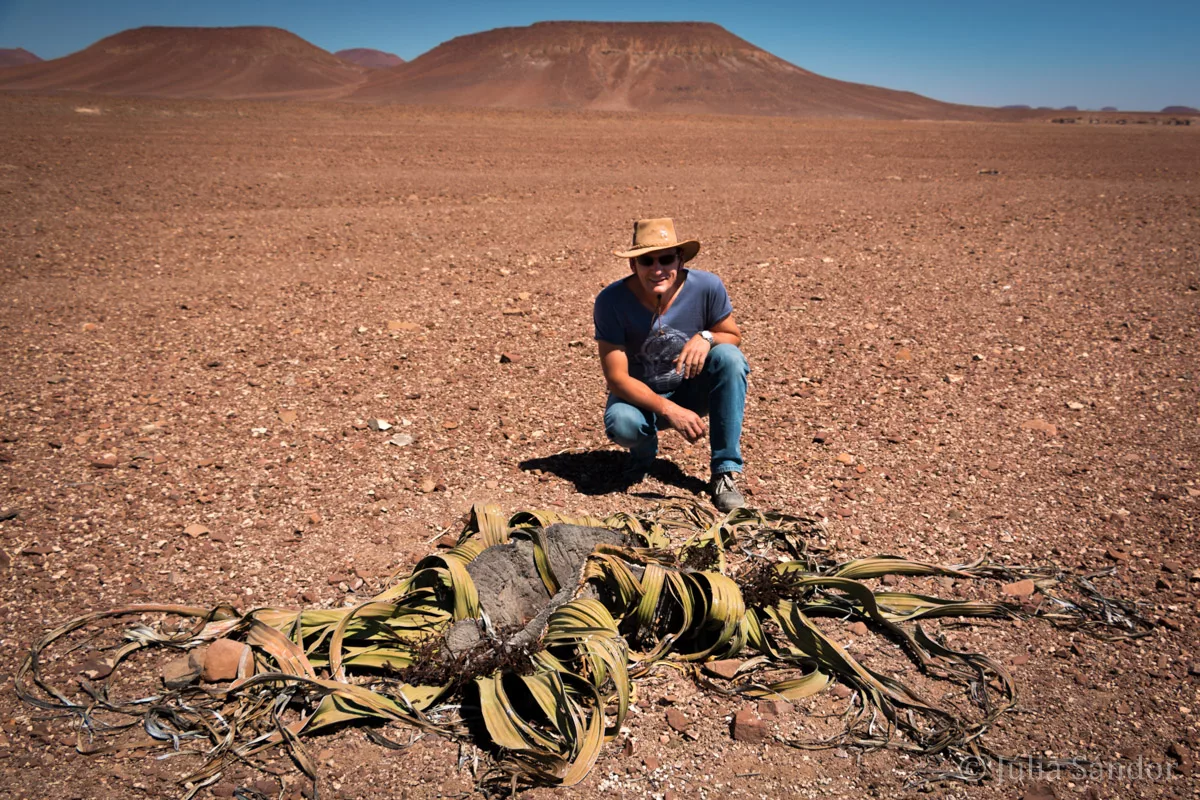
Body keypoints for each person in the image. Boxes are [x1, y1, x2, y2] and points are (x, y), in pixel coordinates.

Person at [593, 218, 749, 511]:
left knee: (730, 358)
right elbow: (616, 378)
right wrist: (669, 410)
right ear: (633, 265)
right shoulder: (611, 301)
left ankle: (725, 471)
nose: (657, 269)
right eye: (646, 261)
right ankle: (643, 448)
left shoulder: (706, 287)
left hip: (691, 390)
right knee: (623, 425)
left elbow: (733, 336)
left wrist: (706, 337)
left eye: (666, 259)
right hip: (639, 397)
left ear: (680, 259)